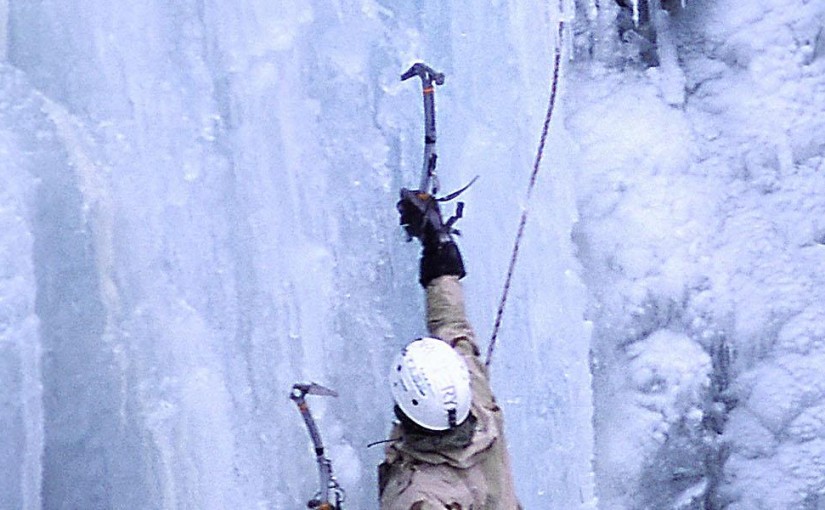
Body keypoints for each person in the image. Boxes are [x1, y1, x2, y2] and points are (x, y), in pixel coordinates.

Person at [378, 190, 521, 509]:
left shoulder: (420, 498)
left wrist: (435, 238)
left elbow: (453, 330)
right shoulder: (477, 404)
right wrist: (437, 244)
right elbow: (452, 327)